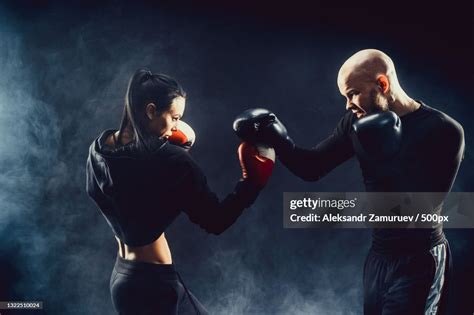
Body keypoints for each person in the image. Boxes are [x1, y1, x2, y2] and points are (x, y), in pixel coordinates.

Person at [233, 49, 465, 315]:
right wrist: (277, 138)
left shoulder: (444, 130)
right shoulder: (356, 122)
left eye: (352, 93)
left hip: (420, 260)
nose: (348, 105)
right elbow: (312, 168)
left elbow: (424, 208)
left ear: (382, 84)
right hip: (379, 257)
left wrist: (386, 158)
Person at [86, 68, 275, 315]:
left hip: (123, 278)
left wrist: (164, 149)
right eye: (174, 117)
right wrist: (252, 183)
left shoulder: (99, 148)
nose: (176, 127)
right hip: (155, 288)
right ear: (151, 110)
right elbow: (217, 220)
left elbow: (132, 192)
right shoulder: (171, 161)